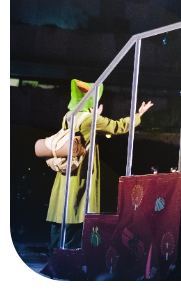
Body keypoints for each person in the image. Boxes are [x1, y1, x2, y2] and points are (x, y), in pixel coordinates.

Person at [46, 80, 152, 249]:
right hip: (80, 171)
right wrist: (139, 114)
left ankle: (54, 252)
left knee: (61, 210)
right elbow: (117, 126)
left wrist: (95, 114)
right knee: (76, 211)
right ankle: (68, 254)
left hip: (66, 168)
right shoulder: (90, 119)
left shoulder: (69, 115)